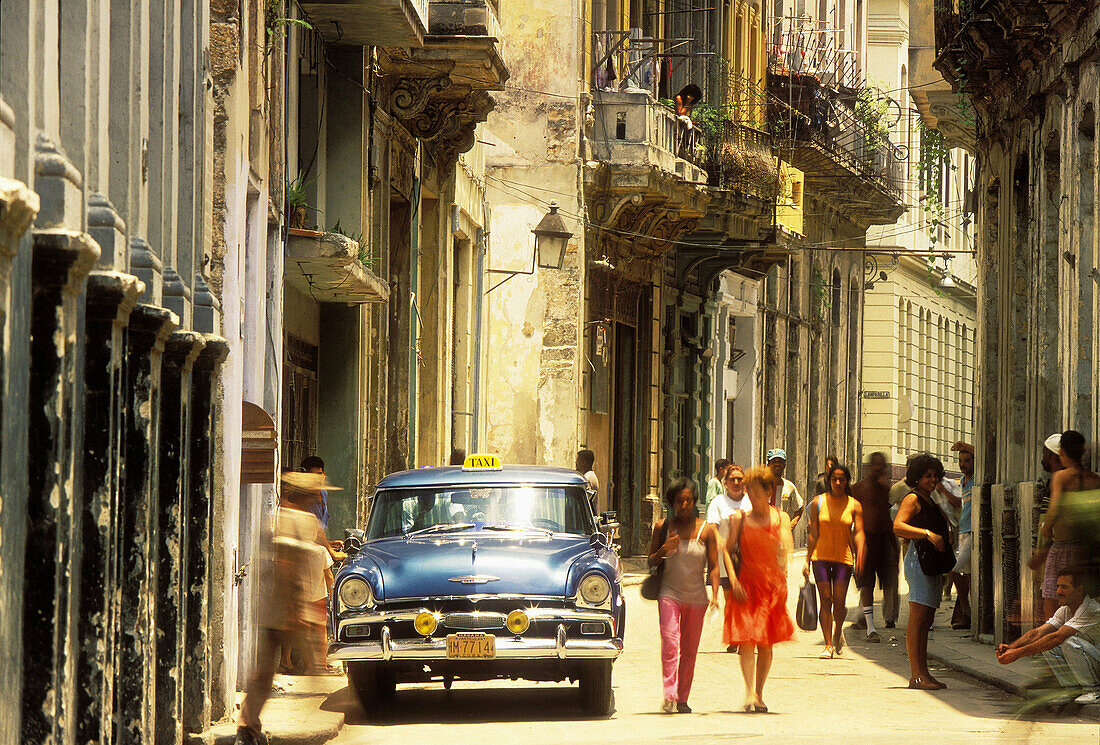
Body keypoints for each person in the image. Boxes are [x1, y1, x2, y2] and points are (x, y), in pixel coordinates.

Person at [236, 472, 334, 744]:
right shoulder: (295, 520)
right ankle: (248, 727)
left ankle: (249, 726)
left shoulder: (287, 518)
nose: (318, 498)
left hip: (283, 608)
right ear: (304, 496)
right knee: (296, 668)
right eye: (314, 494)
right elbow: (287, 566)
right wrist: (296, 609)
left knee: (268, 671)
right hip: (288, 609)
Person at [723, 465, 795, 713]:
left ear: (768, 491)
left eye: (755, 492)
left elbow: (787, 547)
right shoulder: (739, 519)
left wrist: (785, 563)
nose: (751, 497)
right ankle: (748, 691)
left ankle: (759, 693)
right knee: (746, 642)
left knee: (765, 643)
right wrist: (732, 580)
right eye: (748, 492)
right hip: (746, 586)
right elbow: (726, 548)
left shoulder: (780, 518)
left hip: (771, 588)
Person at [648, 477, 721, 713]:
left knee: (689, 650)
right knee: (670, 643)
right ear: (672, 503)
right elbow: (650, 561)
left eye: (689, 500)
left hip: (697, 598)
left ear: (695, 501)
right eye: (680, 501)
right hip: (669, 594)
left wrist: (716, 595)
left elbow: (714, 565)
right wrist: (663, 549)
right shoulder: (662, 527)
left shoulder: (706, 529)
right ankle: (669, 694)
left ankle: (682, 697)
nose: (685, 505)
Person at [996, 566, 1100, 705]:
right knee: (1048, 645)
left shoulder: (1090, 609)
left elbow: (1056, 637)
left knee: (1068, 642)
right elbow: (1038, 632)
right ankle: (1072, 689)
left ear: (1079, 590)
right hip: (1094, 659)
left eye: (1064, 587)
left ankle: (1093, 690)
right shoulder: (1065, 610)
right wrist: (1011, 647)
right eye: (1058, 586)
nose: (1058, 592)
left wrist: (1017, 654)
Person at [893, 454, 952, 690]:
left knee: (926, 619)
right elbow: (898, 525)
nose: (932, 479)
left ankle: (924, 672)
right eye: (927, 476)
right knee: (917, 620)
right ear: (917, 478)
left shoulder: (930, 498)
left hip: (931, 563)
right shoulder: (912, 499)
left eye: (935, 475)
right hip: (918, 562)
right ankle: (916, 675)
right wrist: (927, 534)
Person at [1036, 430, 1100, 618]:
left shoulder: (1061, 477)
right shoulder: (1095, 480)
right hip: (1086, 551)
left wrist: (1046, 528)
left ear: (1061, 451)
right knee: (1079, 605)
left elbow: (1054, 509)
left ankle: (1055, 643)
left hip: (1062, 548)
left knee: (1052, 603)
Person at [804, 463, 865, 658]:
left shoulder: (854, 505)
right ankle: (828, 644)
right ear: (828, 481)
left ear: (847, 481)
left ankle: (838, 630)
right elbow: (813, 533)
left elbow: (859, 533)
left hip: (843, 559)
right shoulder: (818, 502)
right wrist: (806, 560)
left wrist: (860, 554)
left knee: (839, 601)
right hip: (820, 557)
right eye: (834, 479)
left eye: (842, 479)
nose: (838, 483)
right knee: (826, 600)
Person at [852, 452, 899, 638]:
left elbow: (886, 518)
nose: (878, 468)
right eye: (875, 465)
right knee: (866, 583)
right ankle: (867, 621)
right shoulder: (859, 488)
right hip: (866, 539)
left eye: (882, 465)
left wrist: (893, 546)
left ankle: (889, 618)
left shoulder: (886, 489)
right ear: (869, 467)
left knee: (889, 581)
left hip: (884, 539)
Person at [706, 464, 752, 652]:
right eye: (732, 479)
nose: (736, 482)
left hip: (747, 557)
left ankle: (743, 636)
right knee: (731, 599)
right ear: (725, 483)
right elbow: (712, 526)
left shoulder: (750, 502)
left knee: (745, 598)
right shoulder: (718, 502)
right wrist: (721, 542)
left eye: (739, 479)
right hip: (725, 558)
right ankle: (734, 635)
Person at [947, 441, 975, 629]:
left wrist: (966, 445)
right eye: (960, 460)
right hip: (963, 531)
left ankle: (966, 610)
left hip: (973, 532)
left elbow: (984, 458)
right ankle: (967, 613)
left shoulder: (976, 479)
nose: (962, 464)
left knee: (954, 569)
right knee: (968, 574)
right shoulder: (963, 481)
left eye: (966, 460)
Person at [766, 448, 805, 531]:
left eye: (780, 462)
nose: (777, 464)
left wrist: (790, 527)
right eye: (774, 462)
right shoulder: (760, 484)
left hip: (781, 536)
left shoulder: (789, 486)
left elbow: (799, 507)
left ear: (784, 465)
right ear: (768, 464)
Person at [300, 456, 329, 529]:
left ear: (324, 475)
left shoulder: (323, 493)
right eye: (312, 476)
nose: (317, 480)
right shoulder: (301, 500)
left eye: (319, 474)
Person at [673, 84, 702, 156]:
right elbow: (679, 113)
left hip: (683, 126)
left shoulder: (691, 105)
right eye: (691, 96)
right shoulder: (678, 98)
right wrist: (687, 103)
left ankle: (689, 150)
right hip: (676, 123)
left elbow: (688, 115)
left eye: (693, 97)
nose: (692, 98)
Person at [577, 449, 600, 513]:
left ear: (583, 463)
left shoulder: (587, 479)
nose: (576, 463)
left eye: (578, 461)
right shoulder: (590, 476)